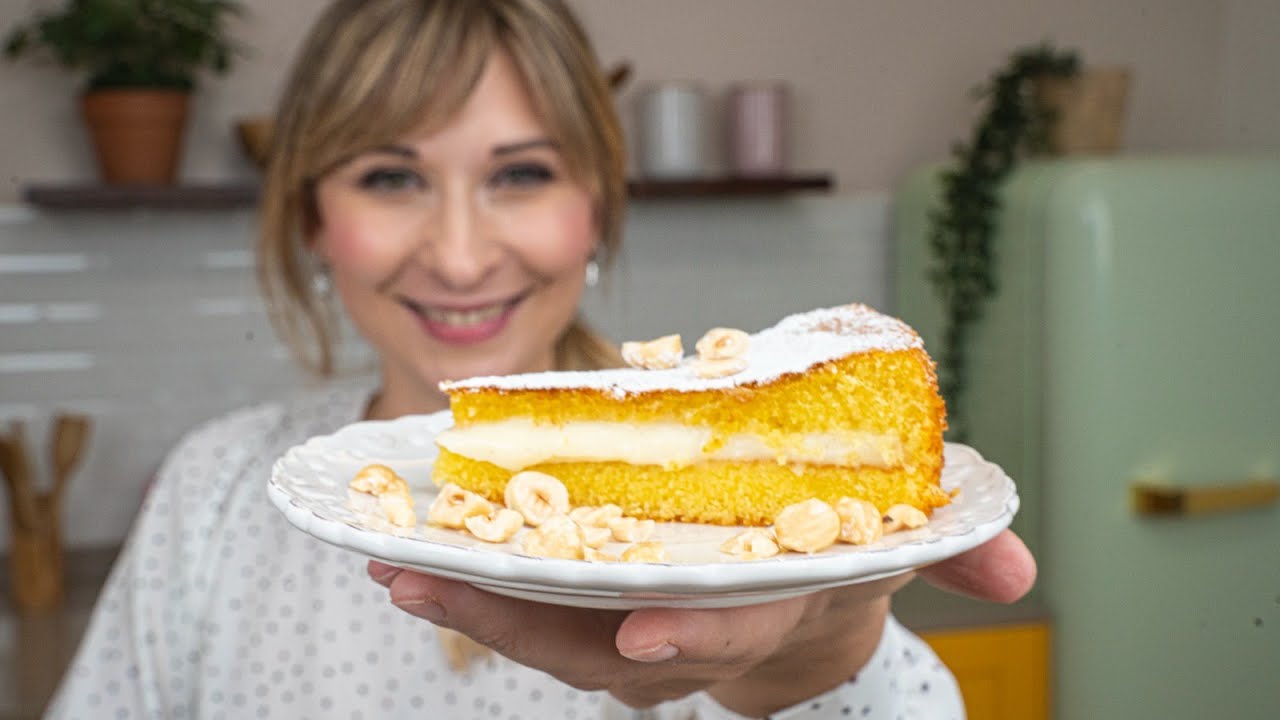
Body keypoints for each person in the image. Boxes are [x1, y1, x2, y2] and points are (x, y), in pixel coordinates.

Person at [46, 1, 1035, 718]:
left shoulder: (759, 538)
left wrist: (814, 664)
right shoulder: (214, 493)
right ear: (312, 217)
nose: (462, 253)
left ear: (596, 205)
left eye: (519, 174)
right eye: (390, 177)